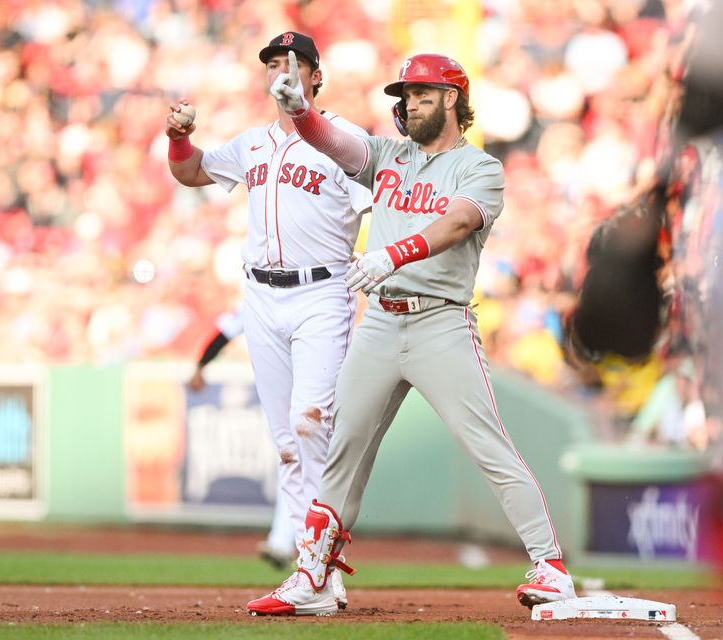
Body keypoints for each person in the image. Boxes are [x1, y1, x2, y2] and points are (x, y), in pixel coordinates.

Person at [246, 52, 576, 616]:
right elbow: (334, 143)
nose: (410, 102)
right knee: (343, 448)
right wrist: (301, 114)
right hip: (380, 321)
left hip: (440, 321)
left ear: (452, 98)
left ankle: (550, 566)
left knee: (486, 443)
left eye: (422, 92)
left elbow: (458, 223)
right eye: (405, 94)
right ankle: (314, 577)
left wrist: (392, 254)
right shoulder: (389, 154)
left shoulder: (480, 167)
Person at [165, 32, 374, 609]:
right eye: (274, 62)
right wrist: (180, 139)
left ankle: (318, 560)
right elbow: (191, 173)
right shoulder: (252, 144)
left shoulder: (345, 140)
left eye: (294, 62)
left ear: (315, 77)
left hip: (321, 292)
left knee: (311, 425)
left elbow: (380, 203)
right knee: (286, 441)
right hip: (260, 296)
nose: (282, 70)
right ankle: (316, 569)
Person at [187, 308, 296, 569]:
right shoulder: (261, 294)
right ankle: (287, 543)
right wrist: (201, 364)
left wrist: (201, 365)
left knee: (303, 467)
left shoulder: (316, 292)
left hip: (317, 395)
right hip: (289, 397)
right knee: (294, 464)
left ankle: (297, 544)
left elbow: (225, 331)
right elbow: (226, 331)